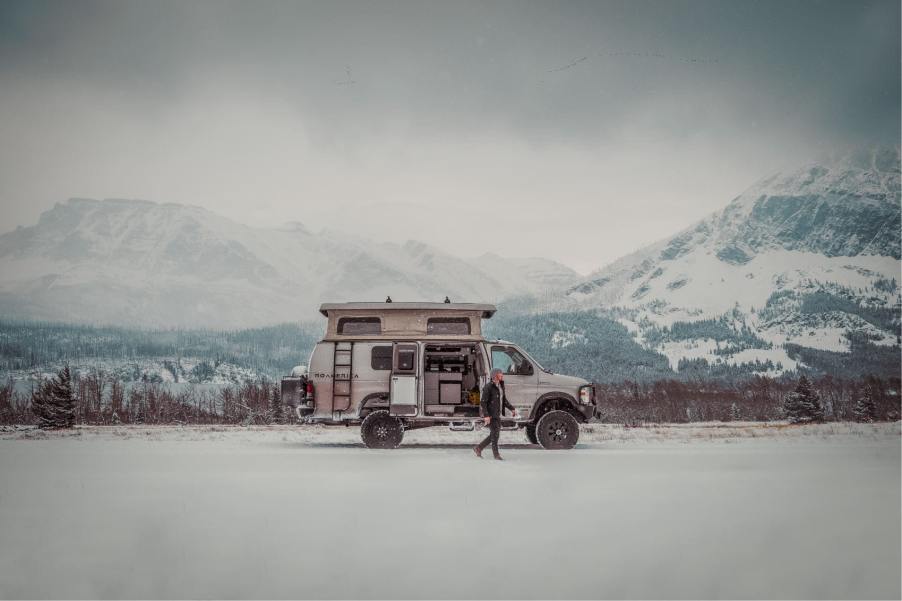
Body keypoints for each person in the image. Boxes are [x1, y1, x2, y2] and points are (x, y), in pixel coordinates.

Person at [473, 368, 519, 460]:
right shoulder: (488, 387)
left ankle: (479, 448)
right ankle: (496, 455)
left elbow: (503, 400)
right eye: (500, 374)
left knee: (494, 434)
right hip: (490, 415)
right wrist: (486, 415)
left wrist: (512, 409)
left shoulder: (501, 385)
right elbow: (483, 402)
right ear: (495, 376)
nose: (502, 375)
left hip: (497, 414)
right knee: (495, 434)